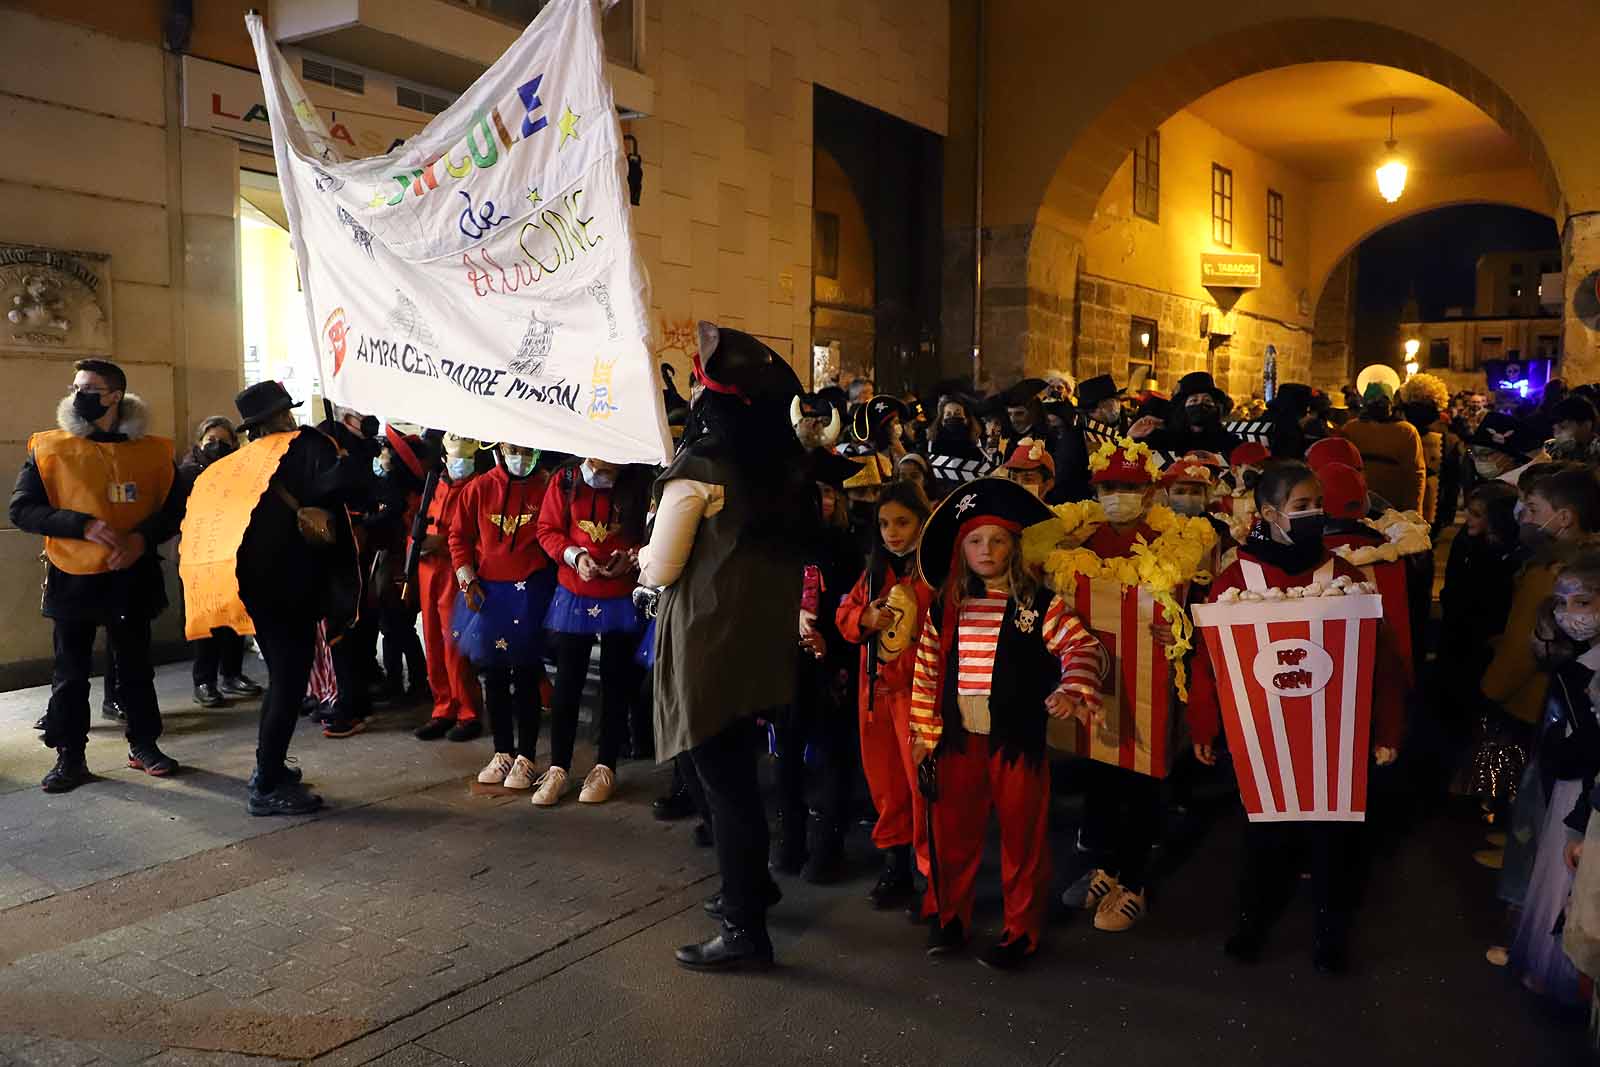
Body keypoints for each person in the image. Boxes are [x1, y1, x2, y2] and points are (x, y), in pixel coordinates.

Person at [640, 322, 815, 972]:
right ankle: (754, 886)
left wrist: (639, 555)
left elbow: (661, 567)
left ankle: (745, 923)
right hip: (758, 645)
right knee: (741, 772)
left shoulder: (699, 471)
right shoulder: (786, 471)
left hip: (707, 644)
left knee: (726, 787)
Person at [1187, 461, 1404, 972]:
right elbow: (1209, 661)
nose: (1314, 514)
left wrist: (1388, 728)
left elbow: (1384, 660)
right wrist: (1204, 723)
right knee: (1265, 836)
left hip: (1335, 741)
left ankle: (1332, 930)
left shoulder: (1345, 576)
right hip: (1265, 741)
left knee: (1336, 842)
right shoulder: (1236, 580)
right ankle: (1252, 920)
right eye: (1301, 507)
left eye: (1317, 505)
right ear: (1269, 513)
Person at [910, 477, 1108, 969]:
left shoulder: (1039, 605)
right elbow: (928, 668)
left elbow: (1082, 648)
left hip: (1016, 740)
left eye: (998, 539)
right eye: (976, 540)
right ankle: (948, 915)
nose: (987, 549)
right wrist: (924, 732)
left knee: (1023, 837)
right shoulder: (946, 606)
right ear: (961, 548)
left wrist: (1071, 688)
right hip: (958, 741)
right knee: (952, 833)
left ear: (1015, 546)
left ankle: (1021, 930)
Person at [11, 359, 187, 793]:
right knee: (70, 672)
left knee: (136, 667)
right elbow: (22, 510)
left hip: (132, 573)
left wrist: (141, 541)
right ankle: (70, 757)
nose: (77, 395)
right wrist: (82, 525)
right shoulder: (49, 448)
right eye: (74, 387)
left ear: (114, 396)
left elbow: (173, 510)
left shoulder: (154, 450)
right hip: (74, 575)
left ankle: (144, 744)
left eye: (88, 388)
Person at [221, 381, 363, 815]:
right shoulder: (306, 447)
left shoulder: (240, 464)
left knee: (283, 682)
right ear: (281, 416)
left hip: (258, 591)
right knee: (287, 684)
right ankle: (266, 782)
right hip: (293, 591)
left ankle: (272, 768)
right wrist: (351, 456)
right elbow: (345, 491)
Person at [836, 479, 933, 907]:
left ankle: (934, 875)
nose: (893, 531)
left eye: (902, 522)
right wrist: (864, 616)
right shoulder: (875, 571)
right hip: (875, 696)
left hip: (918, 696)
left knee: (923, 787)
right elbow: (843, 615)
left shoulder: (936, 572)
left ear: (922, 522)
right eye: (885, 523)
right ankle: (895, 865)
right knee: (887, 784)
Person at [1508, 555, 1600, 1005]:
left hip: (1584, 785)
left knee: (1569, 878)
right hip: (1570, 779)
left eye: (1582, 601)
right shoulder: (1575, 660)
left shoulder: (1585, 669)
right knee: (1558, 867)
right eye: (1563, 603)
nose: (1571, 614)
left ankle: (1562, 974)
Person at [773, 448, 868, 882]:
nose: (825, 501)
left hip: (835, 661)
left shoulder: (847, 545)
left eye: (831, 492)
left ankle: (829, 847)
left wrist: (828, 638)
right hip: (788, 661)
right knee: (787, 754)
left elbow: (856, 602)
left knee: (834, 753)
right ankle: (790, 841)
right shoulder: (783, 544)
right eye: (817, 493)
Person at [533, 456, 651, 805]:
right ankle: (558, 767)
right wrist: (574, 556)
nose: (605, 470)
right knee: (567, 681)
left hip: (619, 594)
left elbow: (653, 533)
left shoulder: (640, 482)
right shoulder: (566, 478)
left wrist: (631, 556)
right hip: (574, 592)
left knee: (616, 682)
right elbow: (546, 529)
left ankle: (606, 766)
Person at [448, 443, 555, 795]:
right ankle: (502, 752)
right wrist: (466, 577)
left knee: (526, 674)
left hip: (531, 593)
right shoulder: (479, 488)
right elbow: (458, 536)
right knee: (491, 674)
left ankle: (527, 756)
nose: (519, 457)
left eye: (527, 450)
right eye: (513, 449)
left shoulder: (547, 486)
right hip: (488, 593)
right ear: (499, 448)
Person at [1481, 467, 1600, 728]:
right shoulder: (1590, 562)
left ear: (1564, 517)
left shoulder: (1549, 574)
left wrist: (1490, 692)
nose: (1525, 518)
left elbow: (1520, 652)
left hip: (1530, 707)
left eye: (1534, 509)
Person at [178, 415, 262, 708]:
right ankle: (205, 680)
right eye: (210, 441)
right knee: (207, 621)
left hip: (233, 553)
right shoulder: (188, 473)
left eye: (223, 442)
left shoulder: (240, 471)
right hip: (201, 557)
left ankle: (232, 673)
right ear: (200, 442)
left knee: (234, 616)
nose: (216, 447)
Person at [414, 433, 485, 741]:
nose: (461, 465)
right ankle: (443, 708)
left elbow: (480, 538)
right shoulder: (434, 486)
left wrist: (441, 544)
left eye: (466, 459)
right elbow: (417, 523)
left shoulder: (479, 488)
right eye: (456, 459)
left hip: (457, 573)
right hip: (428, 572)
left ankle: (468, 712)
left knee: (456, 645)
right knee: (432, 641)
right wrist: (416, 544)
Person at [369, 428, 429, 706]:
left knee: (400, 627)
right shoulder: (396, 491)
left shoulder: (408, 497)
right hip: (389, 563)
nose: (385, 458)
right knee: (391, 627)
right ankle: (397, 682)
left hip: (401, 568)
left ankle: (417, 683)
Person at [1337, 382, 1425, 514]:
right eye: (1373, 400)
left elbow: (1415, 474)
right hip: (1359, 504)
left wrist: (1413, 511)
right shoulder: (1351, 429)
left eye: (1382, 400)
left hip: (1394, 507)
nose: (1377, 404)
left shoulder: (1406, 432)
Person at [1140, 372, 1241, 457]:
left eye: (1207, 400)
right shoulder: (1166, 437)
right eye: (1193, 400)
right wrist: (1132, 436)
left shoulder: (1224, 438)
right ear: (1183, 407)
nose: (1200, 404)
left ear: (1215, 407)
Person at [1546, 395, 1600, 464]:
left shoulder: (1596, 451)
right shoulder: (1550, 448)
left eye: (1563, 427)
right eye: (1554, 429)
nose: (1556, 434)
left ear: (1586, 425)